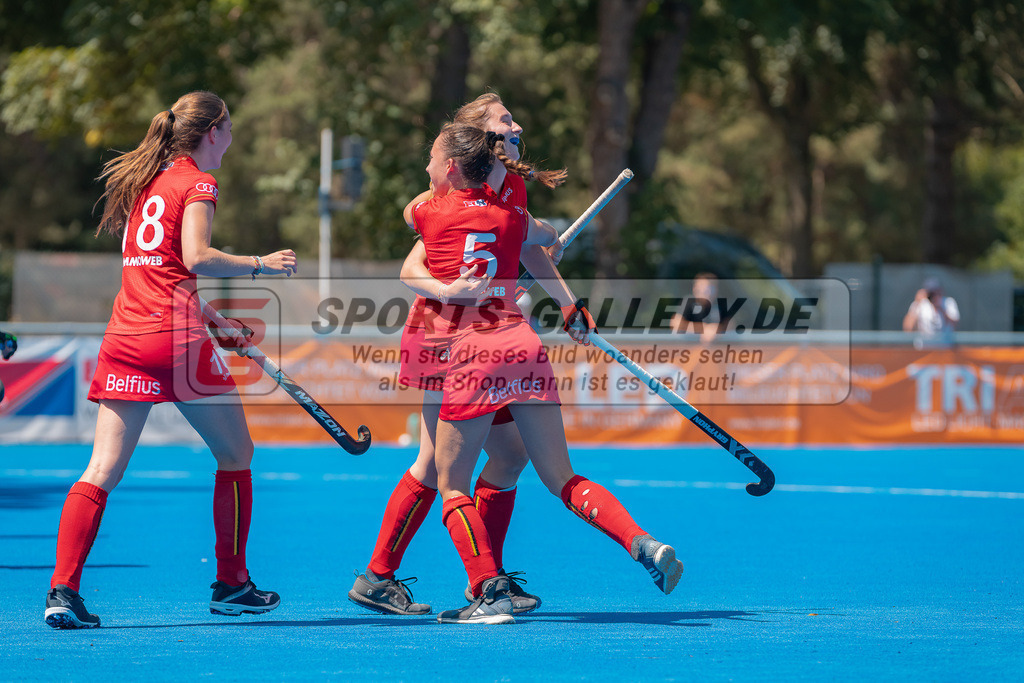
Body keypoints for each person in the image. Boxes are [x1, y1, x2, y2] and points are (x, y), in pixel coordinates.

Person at [44, 91, 298, 629]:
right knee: (236, 454)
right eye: (229, 130)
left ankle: (62, 591)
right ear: (213, 133)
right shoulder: (198, 182)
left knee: (101, 470)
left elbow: (162, 275)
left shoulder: (147, 185)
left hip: (126, 336)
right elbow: (196, 257)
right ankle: (232, 581)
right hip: (175, 342)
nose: (231, 142)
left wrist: (215, 320)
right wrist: (261, 264)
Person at [414, 123, 683, 625]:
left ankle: (488, 593)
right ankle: (640, 542)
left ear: (451, 167)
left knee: (452, 485)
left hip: (473, 349)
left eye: (433, 158)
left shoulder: (429, 211)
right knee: (561, 476)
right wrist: (543, 248)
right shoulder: (514, 214)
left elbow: (418, 221)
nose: (428, 167)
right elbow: (544, 236)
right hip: (522, 342)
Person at [348, 93, 565, 617]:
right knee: (437, 462)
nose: (517, 124)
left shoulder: (512, 187)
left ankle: (469, 578)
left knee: (506, 455)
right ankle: (466, 581)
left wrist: (561, 295)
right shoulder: (448, 186)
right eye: (505, 118)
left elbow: (527, 249)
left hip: (485, 338)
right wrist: (455, 289)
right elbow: (413, 264)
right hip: (442, 333)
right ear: (482, 136)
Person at [902, 276, 960, 348]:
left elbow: (954, 325)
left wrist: (940, 308)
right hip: (924, 349)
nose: (934, 295)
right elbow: (908, 328)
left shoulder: (948, 303)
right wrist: (917, 303)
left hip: (944, 349)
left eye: (936, 291)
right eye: (931, 292)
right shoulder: (920, 304)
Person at [671, 272, 725, 344]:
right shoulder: (688, 302)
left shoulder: (720, 304)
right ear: (695, 289)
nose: (707, 291)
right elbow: (675, 323)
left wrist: (717, 329)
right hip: (687, 349)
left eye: (711, 287)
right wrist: (704, 329)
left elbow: (731, 324)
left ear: (716, 290)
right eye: (703, 287)